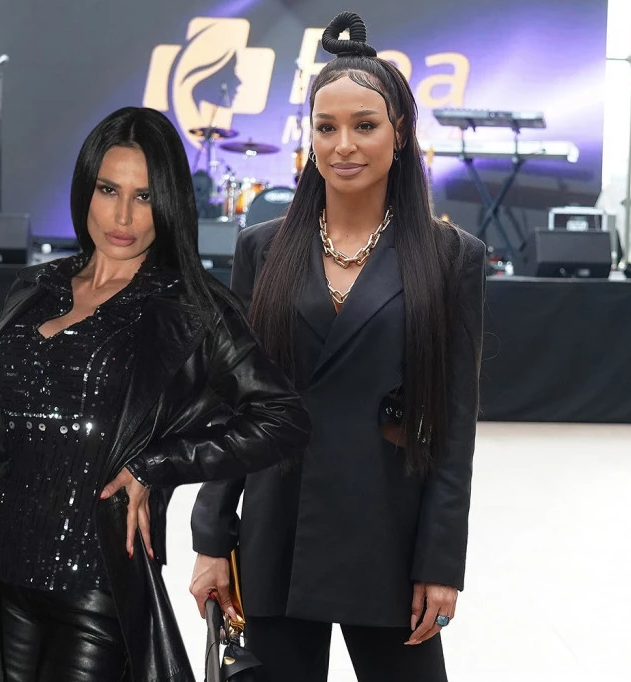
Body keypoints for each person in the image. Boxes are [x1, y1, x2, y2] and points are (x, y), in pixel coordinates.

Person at [0, 106, 312, 682]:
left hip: (97, 592)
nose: (123, 215)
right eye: (109, 190)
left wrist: (155, 466)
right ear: (86, 189)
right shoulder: (35, 289)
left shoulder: (191, 309)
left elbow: (283, 419)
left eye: (144, 196)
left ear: (170, 203)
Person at [188, 12, 487, 682]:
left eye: (364, 125)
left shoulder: (450, 258)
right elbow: (232, 405)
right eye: (326, 127)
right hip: (276, 528)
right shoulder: (262, 249)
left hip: (387, 532)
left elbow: (453, 425)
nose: (343, 145)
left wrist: (440, 563)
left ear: (399, 132)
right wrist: (212, 539)